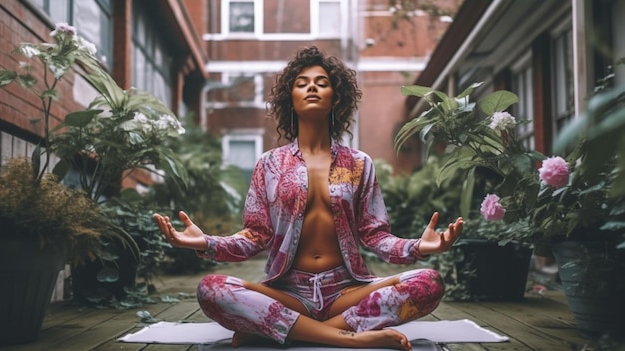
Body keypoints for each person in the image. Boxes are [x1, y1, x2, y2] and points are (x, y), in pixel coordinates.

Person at [153, 46, 463, 350]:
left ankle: (280, 330)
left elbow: (374, 234)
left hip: (347, 290)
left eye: (321, 82)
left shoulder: (358, 164)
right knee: (212, 289)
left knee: (428, 282)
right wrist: (206, 243)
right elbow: (255, 235)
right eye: (301, 83)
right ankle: (350, 336)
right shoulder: (270, 164)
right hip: (288, 292)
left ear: (336, 97)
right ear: (291, 98)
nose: (311, 87)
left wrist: (418, 247)